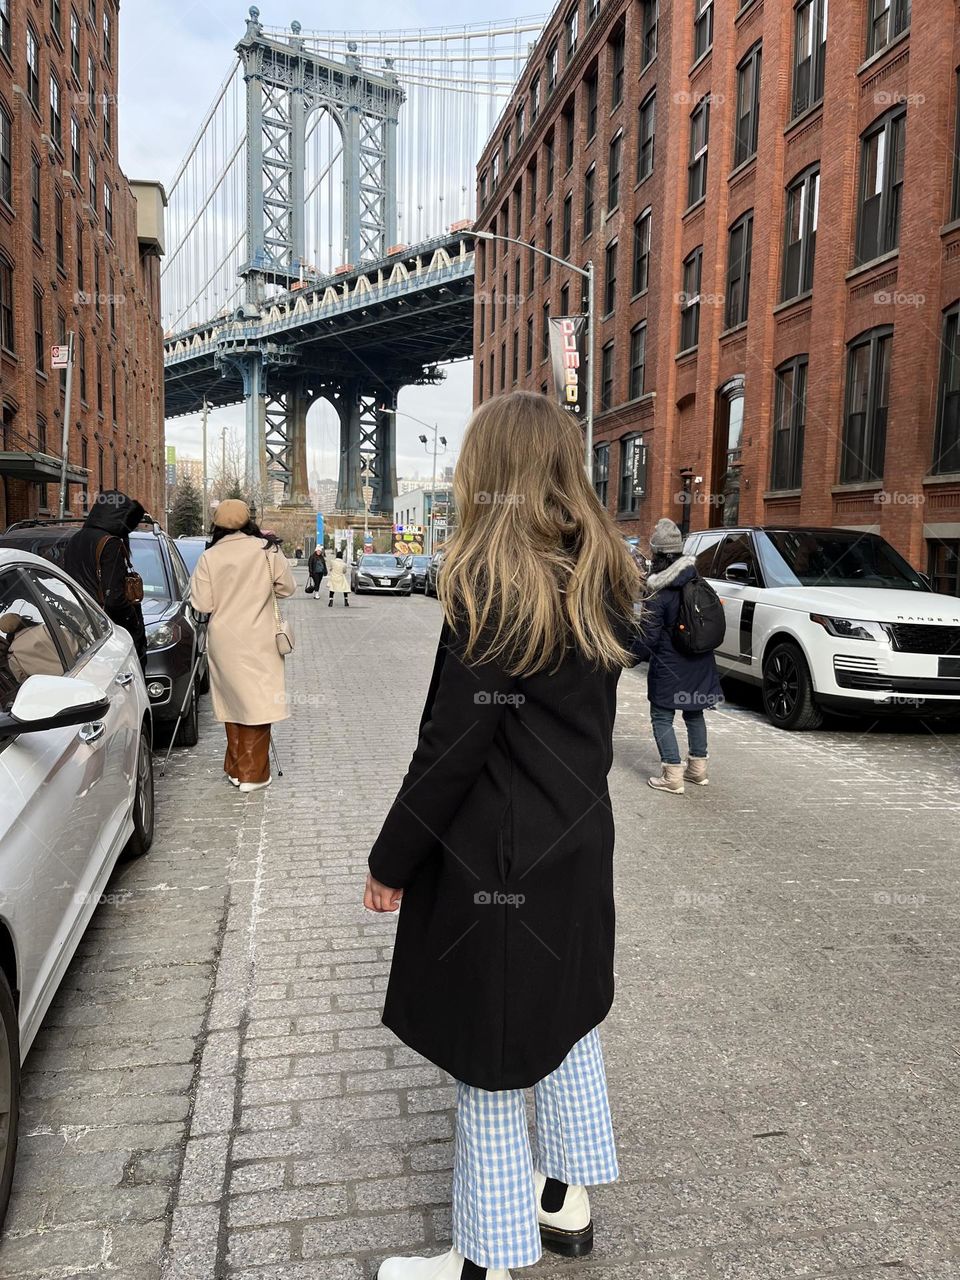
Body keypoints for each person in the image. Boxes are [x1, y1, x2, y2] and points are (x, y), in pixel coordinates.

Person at [364, 391, 642, 1280]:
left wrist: (390, 857)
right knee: (562, 1023)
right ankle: (566, 1202)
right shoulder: (602, 574)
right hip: (576, 844)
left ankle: (478, 1259)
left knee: (489, 1062)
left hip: (499, 858)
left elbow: (451, 749)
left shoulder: (490, 587)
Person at [190, 499, 296, 793]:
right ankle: (254, 774)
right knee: (258, 703)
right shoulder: (267, 550)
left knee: (232, 702)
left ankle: (236, 769)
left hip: (224, 640)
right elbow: (288, 588)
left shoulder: (210, 557)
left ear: (217, 524)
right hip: (259, 639)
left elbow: (202, 603)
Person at [631, 517, 722, 795]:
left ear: (656, 553)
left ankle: (672, 774)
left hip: (670, 666)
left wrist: (627, 658)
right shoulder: (697, 579)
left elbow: (648, 637)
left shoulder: (658, 590)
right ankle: (698, 769)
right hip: (700, 661)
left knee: (662, 716)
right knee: (694, 714)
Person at [63, 490, 147, 666]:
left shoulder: (75, 539)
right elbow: (114, 598)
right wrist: (134, 623)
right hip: (109, 632)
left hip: (81, 628)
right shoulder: (110, 544)